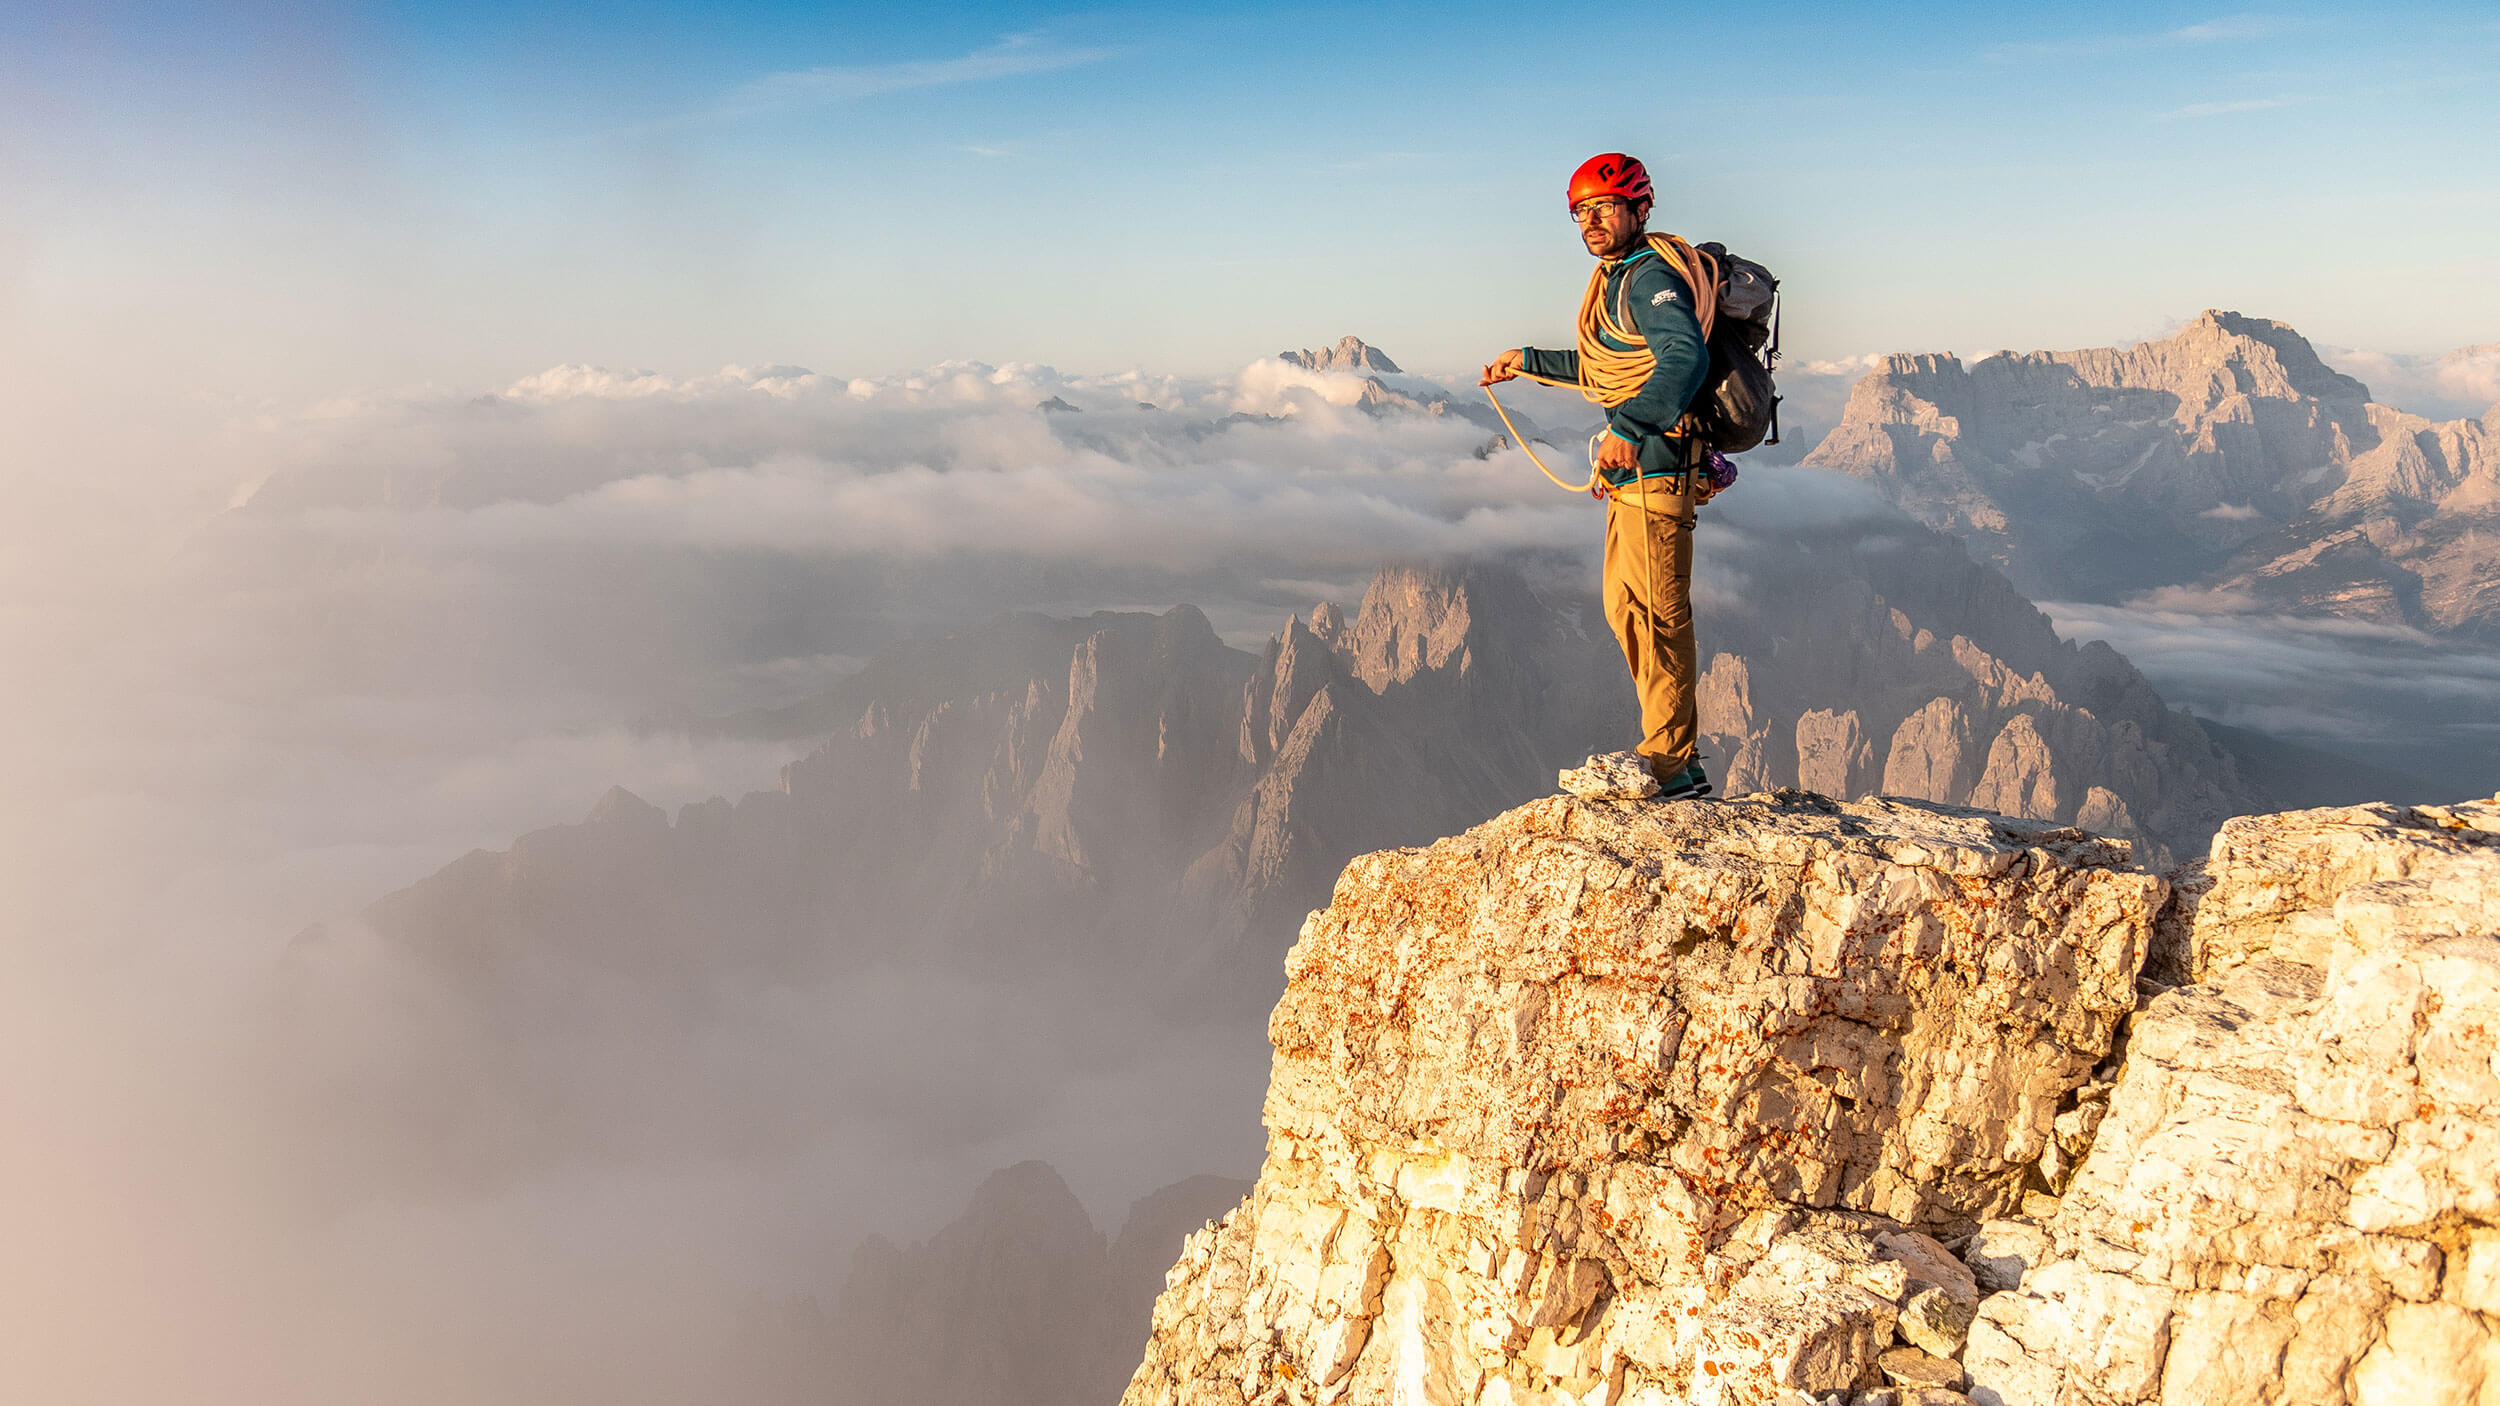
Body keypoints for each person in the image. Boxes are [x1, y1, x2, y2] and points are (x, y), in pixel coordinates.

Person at [1481, 152, 1715, 798]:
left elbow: (1684, 356)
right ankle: (1679, 752)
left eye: (1604, 207)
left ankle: (1671, 765)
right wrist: (1525, 361)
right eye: (1581, 211)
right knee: (1626, 608)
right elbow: (1602, 362)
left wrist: (1631, 428)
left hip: (1660, 469)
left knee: (1658, 615)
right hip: (1632, 479)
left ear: (1639, 209)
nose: (1591, 220)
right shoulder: (1616, 280)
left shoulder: (1647, 278)